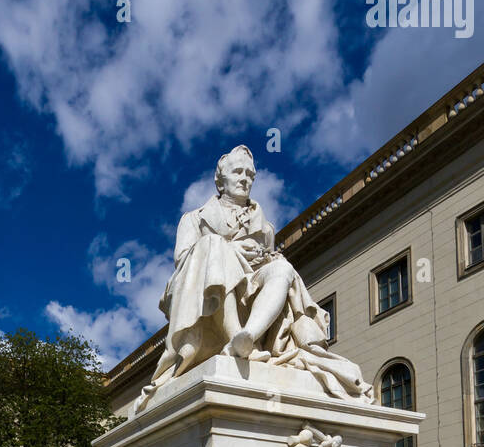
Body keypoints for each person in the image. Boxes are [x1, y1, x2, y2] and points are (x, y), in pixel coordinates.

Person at [135, 145, 373, 410]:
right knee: (213, 245)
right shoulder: (194, 219)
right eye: (237, 172)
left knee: (283, 269)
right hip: (208, 301)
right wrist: (231, 249)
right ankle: (234, 336)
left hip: (251, 296)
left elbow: (266, 262)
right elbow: (183, 262)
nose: (244, 178)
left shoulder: (265, 227)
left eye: (250, 174)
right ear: (220, 180)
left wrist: (266, 258)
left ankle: (248, 336)